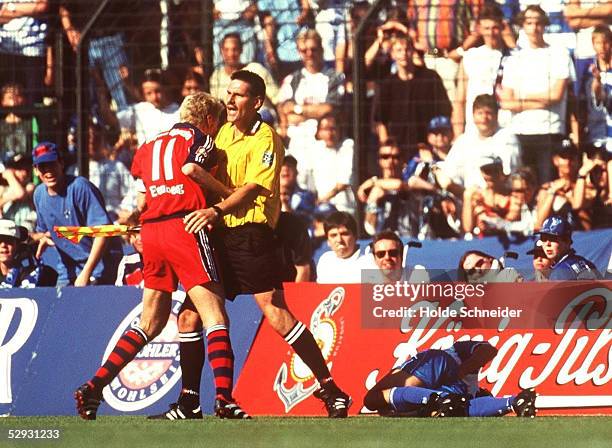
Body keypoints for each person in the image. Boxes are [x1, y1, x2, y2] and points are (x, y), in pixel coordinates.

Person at [184, 70, 351, 417]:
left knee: (275, 313)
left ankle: (331, 389)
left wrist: (215, 209)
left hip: (251, 235)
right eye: (228, 93)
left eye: (238, 95)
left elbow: (251, 190)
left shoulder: (267, 138)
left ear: (256, 102)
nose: (230, 101)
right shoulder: (220, 134)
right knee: (188, 317)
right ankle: (189, 402)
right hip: (217, 233)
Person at [74, 92, 248, 421]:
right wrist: (227, 194)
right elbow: (192, 168)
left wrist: (128, 224)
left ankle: (95, 385)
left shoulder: (150, 145)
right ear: (209, 120)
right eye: (218, 124)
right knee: (215, 316)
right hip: (186, 226)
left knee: (149, 323)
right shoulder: (202, 139)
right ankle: (224, 397)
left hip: (151, 232)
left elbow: (142, 199)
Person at [498, 6, 574, 184]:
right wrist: (541, 100)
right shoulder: (515, 59)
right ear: (523, 25)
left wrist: (522, 100)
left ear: (545, 25)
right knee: (523, 189)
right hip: (520, 132)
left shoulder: (559, 53)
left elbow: (556, 95)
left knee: (546, 187)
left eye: (538, 23)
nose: (534, 28)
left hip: (549, 132)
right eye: (529, 23)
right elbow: (506, 102)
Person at [363, 340, 537, 418]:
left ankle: (516, 401)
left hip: (440, 386)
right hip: (441, 363)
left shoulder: (462, 398)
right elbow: (488, 350)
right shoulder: (466, 380)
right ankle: (515, 401)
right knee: (372, 400)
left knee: (372, 400)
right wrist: (461, 370)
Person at [32, 142, 122, 286]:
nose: (48, 171)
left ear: (61, 164)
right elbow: (48, 229)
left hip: (101, 267)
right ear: (36, 170)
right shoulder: (39, 195)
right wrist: (45, 237)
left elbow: (103, 232)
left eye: (52, 164)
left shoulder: (80, 187)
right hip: (68, 270)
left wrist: (86, 273)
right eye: (43, 167)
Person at [372, 36, 451, 157]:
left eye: (407, 49)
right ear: (392, 54)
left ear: (412, 51)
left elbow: (445, 111)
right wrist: (388, 150)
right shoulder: (387, 84)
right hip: (399, 149)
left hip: (429, 148)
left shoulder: (430, 78)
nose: (403, 54)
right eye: (398, 50)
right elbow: (381, 121)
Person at [116, 68, 180, 146]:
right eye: (149, 93)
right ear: (144, 94)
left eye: (157, 91)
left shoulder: (178, 111)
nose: (154, 97)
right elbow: (112, 119)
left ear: (165, 88)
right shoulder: (139, 109)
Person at [536, 215, 600, 281]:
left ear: (567, 241)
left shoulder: (560, 272)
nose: (547, 244)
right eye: (543, 238)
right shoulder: (583, 262)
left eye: (553, 239)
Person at [0, 218, 56, 287]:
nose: (3, 245)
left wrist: (48, 235)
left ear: (17, 245)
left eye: (8, 240)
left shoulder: (39, 274)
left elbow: (71, 234)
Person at [361, 229, 429, 284]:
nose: (387, 257)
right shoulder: (366, 281)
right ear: (375, 259)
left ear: (401, 256)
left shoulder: (417, 274)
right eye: (381, 254)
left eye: (393, 253)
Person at [316, 211, 366, 284]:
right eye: (333, 235)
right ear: (328, 240)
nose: (339, 240)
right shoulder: (325, 261)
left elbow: (374, 292)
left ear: (355, 236)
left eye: (344, 234)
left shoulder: (369, 257)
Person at [457, 249, 523, 283]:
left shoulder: (508, 274)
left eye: (479, 263)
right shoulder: (466, 298)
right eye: (471, 271)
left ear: (490, 260)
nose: (477, 269)